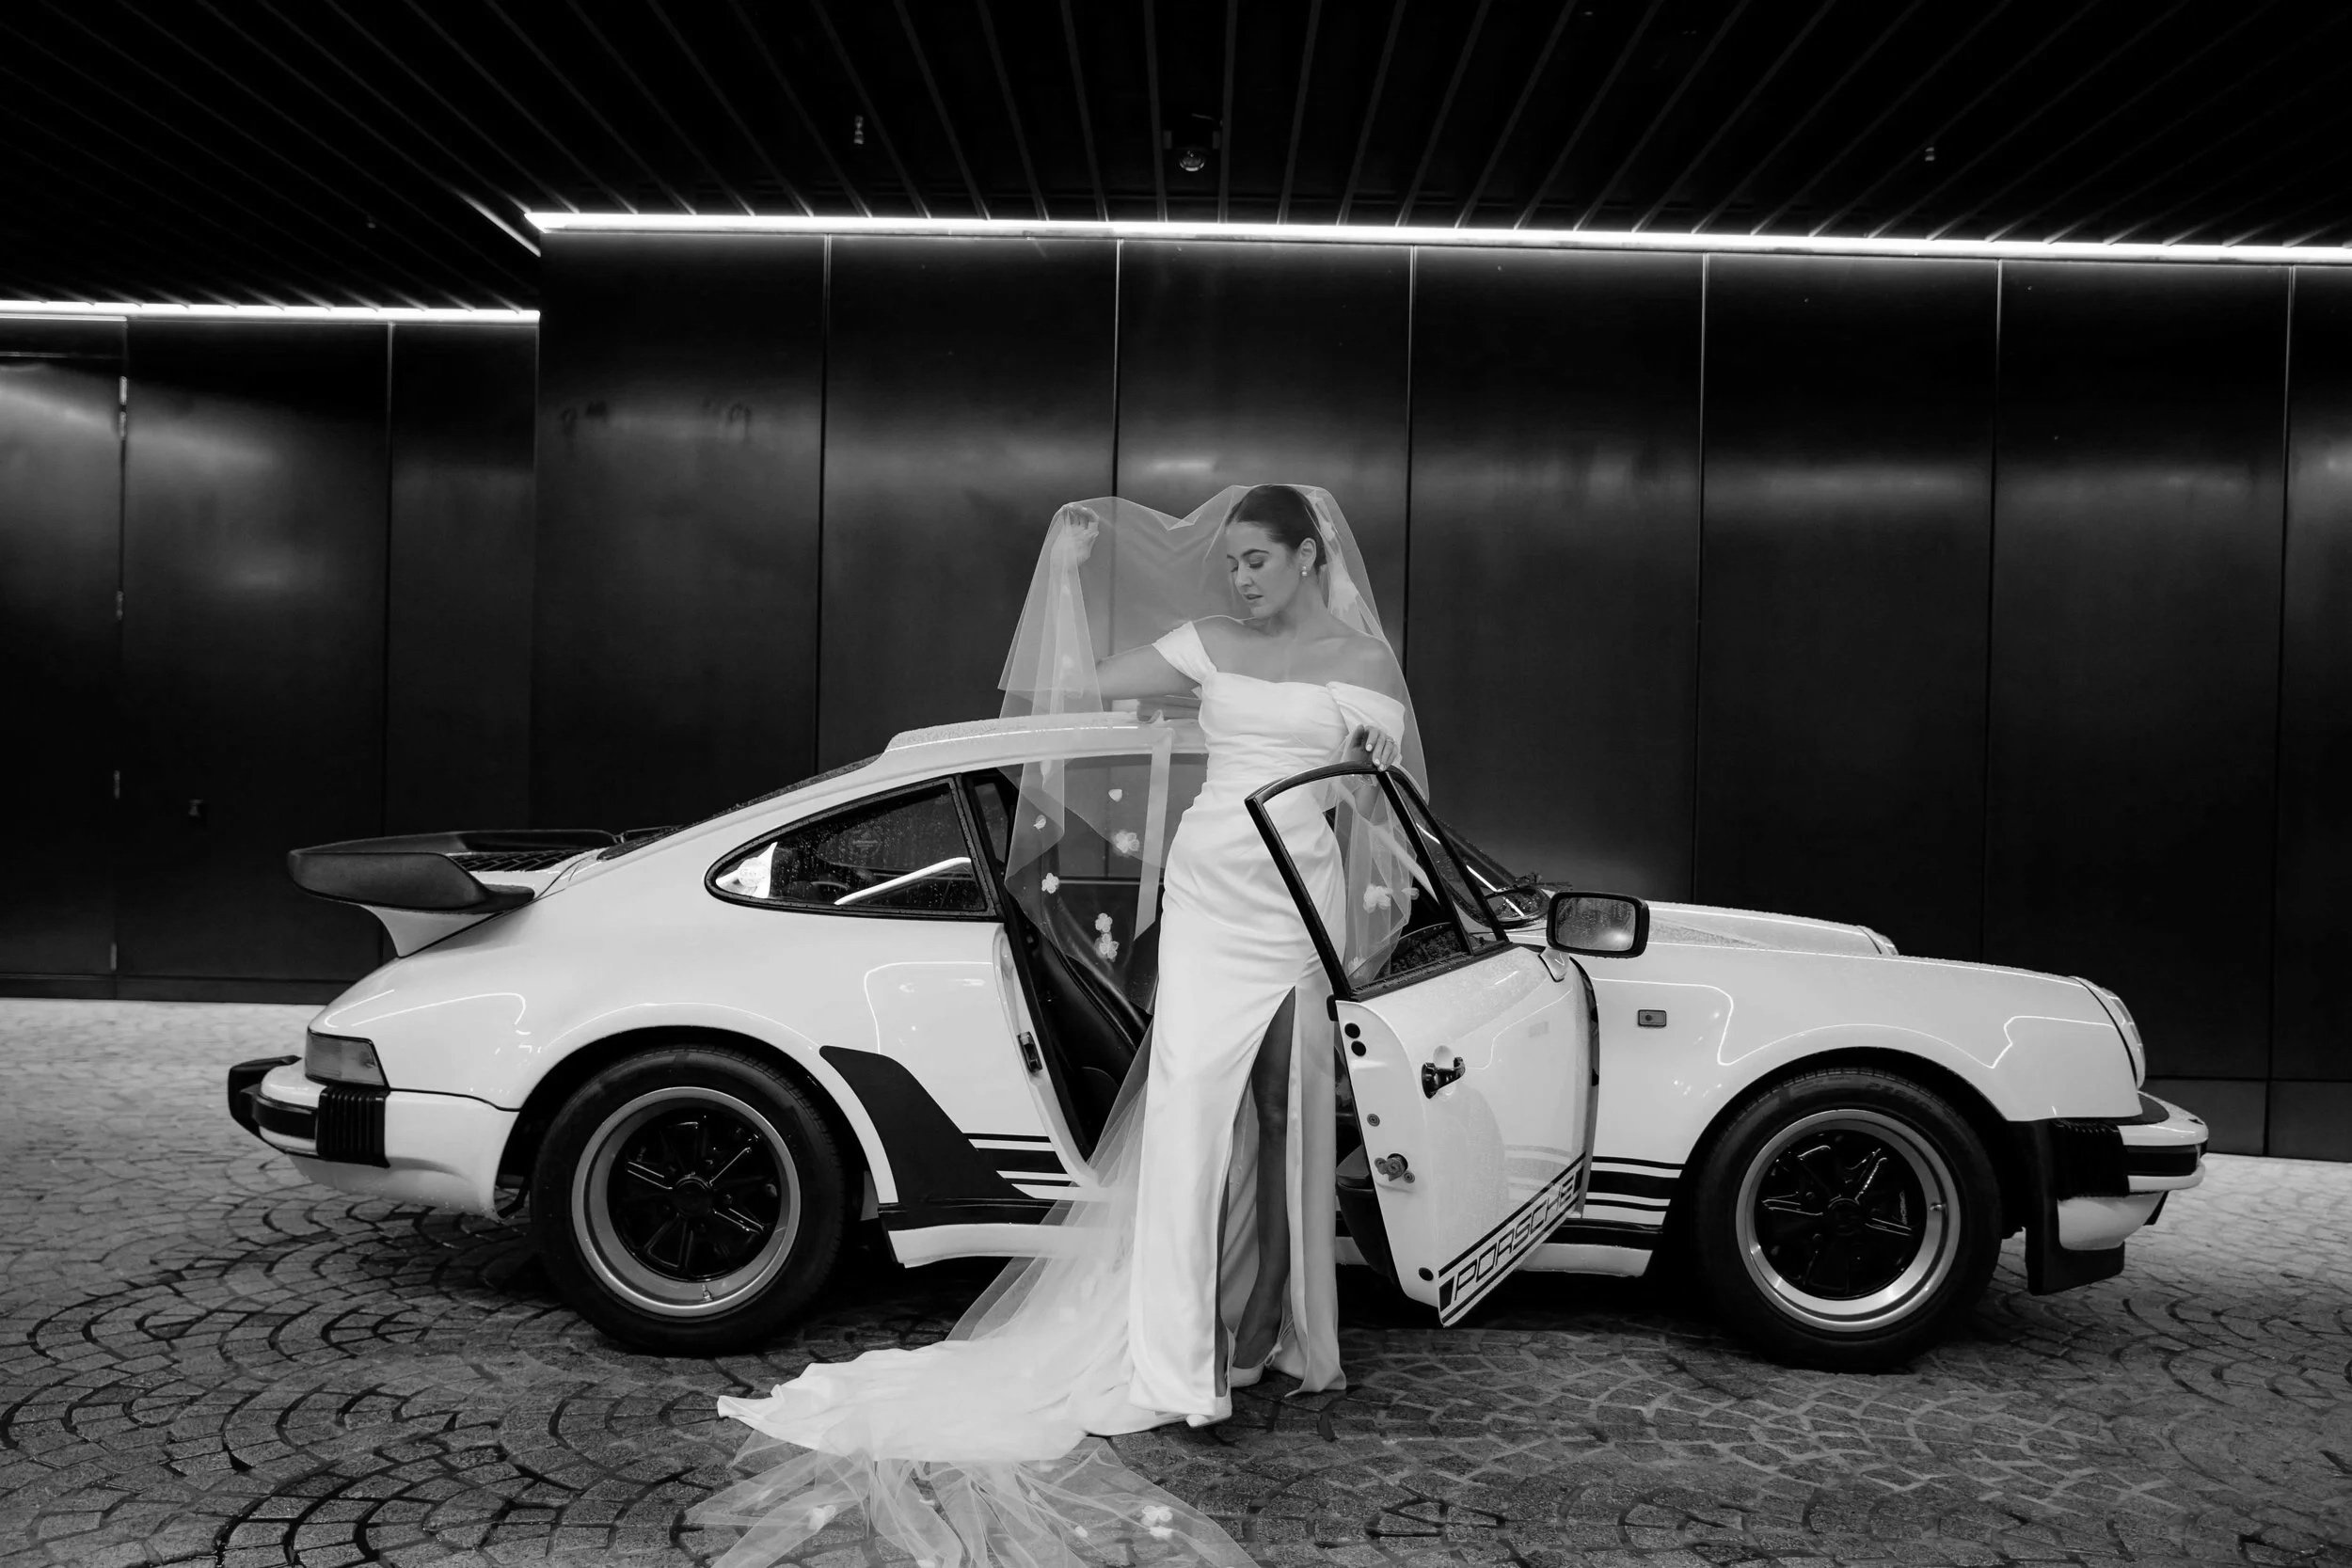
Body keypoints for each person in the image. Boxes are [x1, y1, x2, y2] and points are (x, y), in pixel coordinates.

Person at [691, 484, 1423, 1568]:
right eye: (1228, 561)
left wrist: (1378, 913)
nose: (1237, 577)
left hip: (1300, 900)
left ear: (1312, 556)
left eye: (1258, 560)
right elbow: (1069, 683)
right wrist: (1071, 577)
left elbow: (1380, 804)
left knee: (1286, 1109)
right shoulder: (1207, 640)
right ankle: (1182, 1358)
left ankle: (1266, 1324)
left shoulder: (1361, 663)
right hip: (1217, 894)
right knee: (1190, 1113)